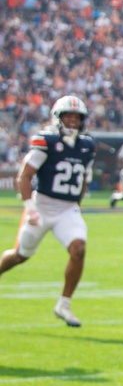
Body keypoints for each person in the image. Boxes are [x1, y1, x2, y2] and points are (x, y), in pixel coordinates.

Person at [0, 95, 96, 327]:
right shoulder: (47, 141)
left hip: (67, 209)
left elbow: (83, 179)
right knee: (20, 256)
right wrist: (30, 208)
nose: (72, 121)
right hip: (42, 206)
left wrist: (77, 206)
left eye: (76, 118)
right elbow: (24, 176)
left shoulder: (86, 146)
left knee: (79, 249)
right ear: (58, 118)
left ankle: (64, 304)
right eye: (68, 117)